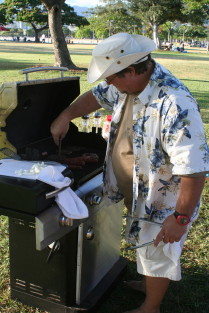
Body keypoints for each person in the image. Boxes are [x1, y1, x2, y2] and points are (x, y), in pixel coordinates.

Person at [50, 33, 209, 313]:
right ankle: (150, 282)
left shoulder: (175, 104)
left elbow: (194, 170)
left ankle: (151, 306)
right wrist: (65, 115)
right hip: (137, 191)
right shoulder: (128, 85)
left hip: (163, 202)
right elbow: (96, 97)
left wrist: (180, 218)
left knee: (158, 250)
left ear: (133, 70)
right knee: (146, 243)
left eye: (112, 78)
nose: (108, 84)